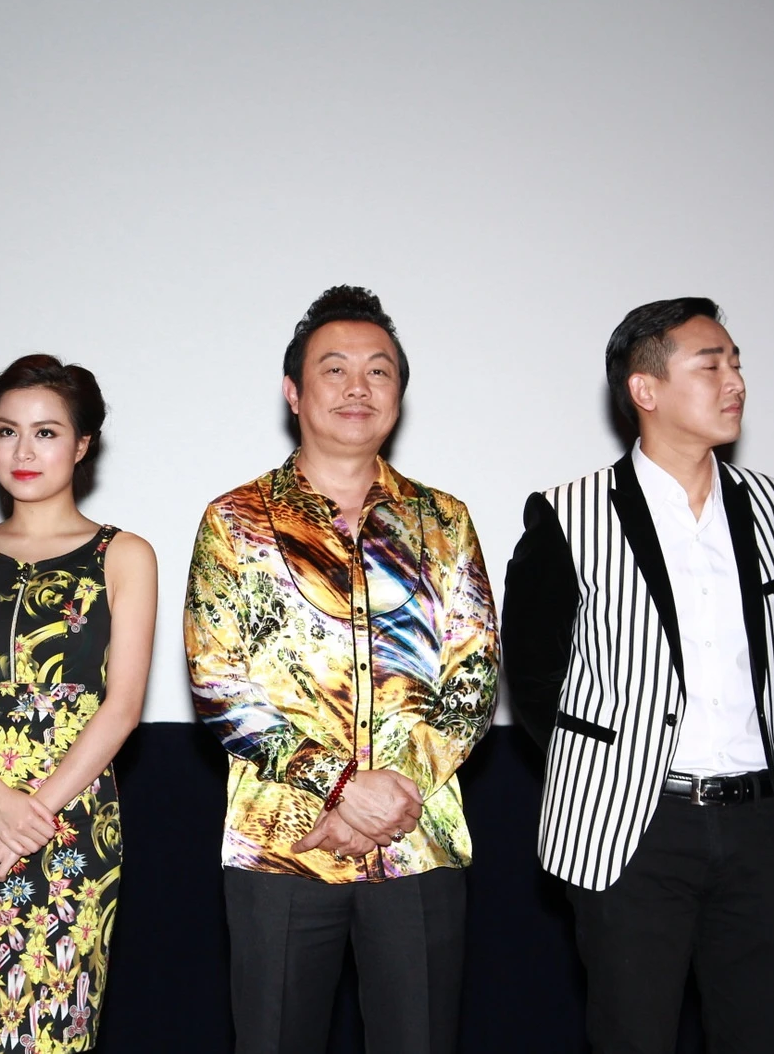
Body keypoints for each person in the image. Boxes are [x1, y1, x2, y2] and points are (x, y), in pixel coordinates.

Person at [503, 297, 774, 1054]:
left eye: (737, 363)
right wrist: (608, 764)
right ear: (644, 389)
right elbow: (533, 673)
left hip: (767, 824)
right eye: (711, 364)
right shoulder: (567, 513)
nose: (735, 381)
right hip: (633, 829)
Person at [184, 285, 498, 1054]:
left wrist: (392, 794)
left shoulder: (443, 520)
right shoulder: (235, 521)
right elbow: (219, 682)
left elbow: (476, 675)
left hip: (419, 837)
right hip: (283, 840)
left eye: (379, 370)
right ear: (294, 391)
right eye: (335, 369)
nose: (359, 387)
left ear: (399, 393)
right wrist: (342, 786)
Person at [0, 354, 157, 1052]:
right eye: (7, 431)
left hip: (72, 819)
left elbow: (123, 706)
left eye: (46, 432)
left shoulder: (124, 555)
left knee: (55, 1025)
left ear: (82, 445)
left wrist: (33, 814)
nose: (23, 451)